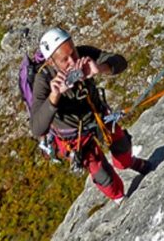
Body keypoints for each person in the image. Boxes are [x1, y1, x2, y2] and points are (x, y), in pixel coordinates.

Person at [30, 26, 153, 203]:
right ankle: (120, 198)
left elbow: (120, 62)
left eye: (73, 53)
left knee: (123, 147)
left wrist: (100, 68)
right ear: (51, 62)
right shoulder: (43, 81)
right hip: (74, 137)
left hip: (99, 117)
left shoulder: (84, 54)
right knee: (102, 174)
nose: (73, 61)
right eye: (65, 60)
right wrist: (54, 95)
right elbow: (37, 127)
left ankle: (128, 163)